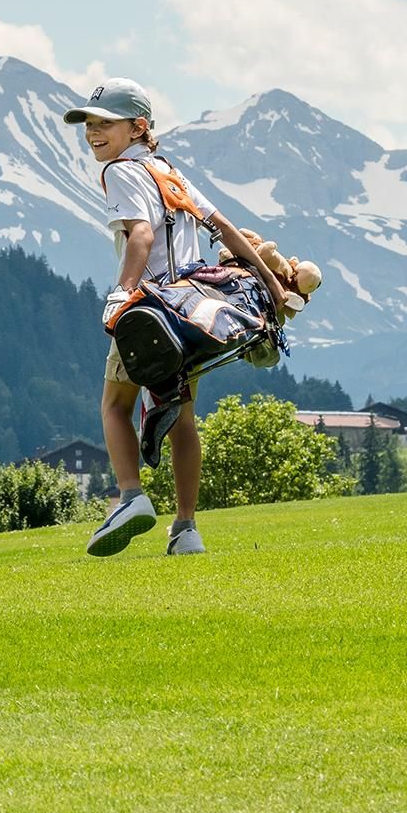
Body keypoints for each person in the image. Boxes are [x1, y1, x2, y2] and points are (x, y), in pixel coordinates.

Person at [65, 78, 299, 560]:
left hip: (151, 311)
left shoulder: (120, 172)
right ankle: (186, 529)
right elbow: (228, 228)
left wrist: (123, 293)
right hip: (195, 312)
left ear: (138, 127)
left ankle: (131, 498)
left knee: (114, 405)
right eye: (89, 123)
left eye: (105, 123)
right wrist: (273, 288)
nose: (93, 132)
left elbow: (142, 236)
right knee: (182, 416)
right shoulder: (168, 172)